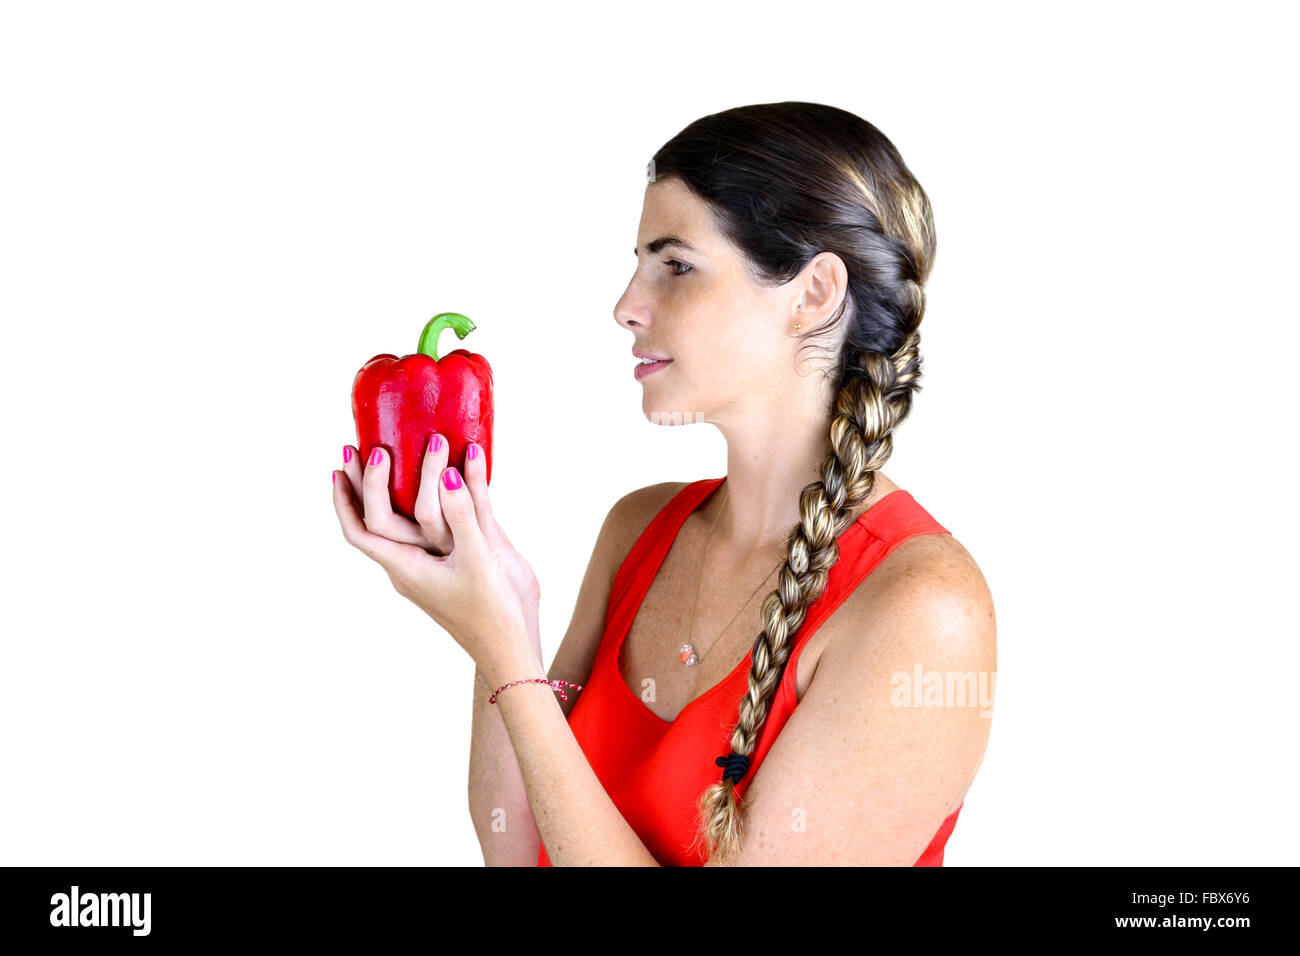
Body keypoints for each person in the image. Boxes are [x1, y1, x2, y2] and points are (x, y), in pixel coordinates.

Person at [332, 101, 997, 866]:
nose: (625, 307)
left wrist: (512, 658)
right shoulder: (639, 528)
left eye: (675, 265)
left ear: (813, 294)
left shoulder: (924, 609)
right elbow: (515, 852)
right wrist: (500, 617)